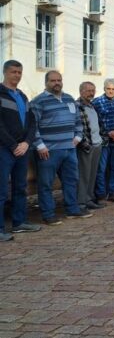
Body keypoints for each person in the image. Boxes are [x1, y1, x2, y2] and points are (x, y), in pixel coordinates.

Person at [31, 71, 92, 224]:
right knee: (46, 183)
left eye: (59, 80)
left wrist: (77, 138)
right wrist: (40, 145)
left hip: (69, 149)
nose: (56, 83)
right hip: (48, 151)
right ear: (46, 82)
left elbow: (78, 121)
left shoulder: (69, 99)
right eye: (53, 80)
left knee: (71, 180)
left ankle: (72, 209)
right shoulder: (38, 101)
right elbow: (32, 127)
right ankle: (48, 214)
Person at [0, 60, 41, 240]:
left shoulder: (23, 97)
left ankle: (19, 222)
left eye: (19, 72)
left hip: (22, 150)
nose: (17, 75)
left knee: (20, 187)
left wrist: (26, 143)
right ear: (5, 73)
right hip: (4, 149)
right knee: (1, 190)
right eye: (13, 72)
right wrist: (13, 145)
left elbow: (32, 122)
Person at [92, 78, 114, 202]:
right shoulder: (96, 102)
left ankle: (113, 192)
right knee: (101, 168)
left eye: (113, 89)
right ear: (104, 88)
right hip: (103, 141)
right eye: (108, 89)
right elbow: (95, 121)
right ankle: (101, 194)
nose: (111, 91)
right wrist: (107, 132)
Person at [75, 81, 106, 212]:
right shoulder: (77, 106)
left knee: (92, 174)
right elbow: (77, 127)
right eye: (88, 90)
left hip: (97, 144)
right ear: (81, 91)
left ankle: (89, 199)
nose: (91, 93)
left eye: (93, 90)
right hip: (86, 146)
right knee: (84, 176)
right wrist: (84, 143)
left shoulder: (92, 106)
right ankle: (81, 203)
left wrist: (102, 140)